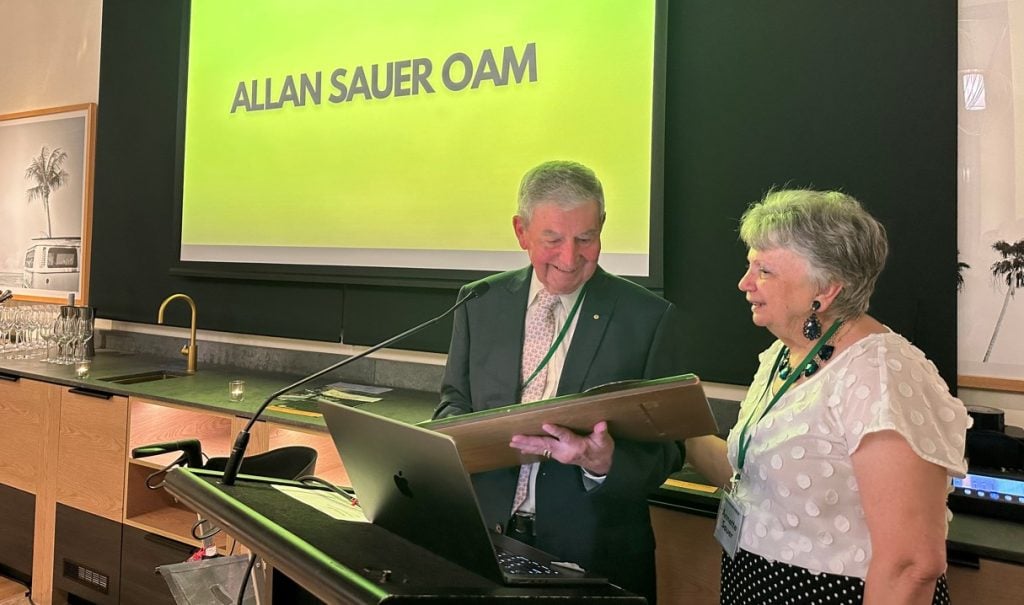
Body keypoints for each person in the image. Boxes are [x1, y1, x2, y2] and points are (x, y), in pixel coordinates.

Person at [685, 189, 971, 605]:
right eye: (750, 266)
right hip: (755, 584)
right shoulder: (785, 354)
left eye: (764, 271)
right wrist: (673, 428)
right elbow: (758, 479)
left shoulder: (880, 374)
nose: (744, 283)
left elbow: (911, 565)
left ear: (827, 288)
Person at [434, 160, 684, 603]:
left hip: (593, 559)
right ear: (521, 232)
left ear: (602, 226)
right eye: (552, 239)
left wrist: (601, 461)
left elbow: (668, 452)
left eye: (586, 239)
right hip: (483, 544)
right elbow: (454, 402)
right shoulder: (479, 301)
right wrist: (458, 439)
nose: (570, 259)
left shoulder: (645, 318)